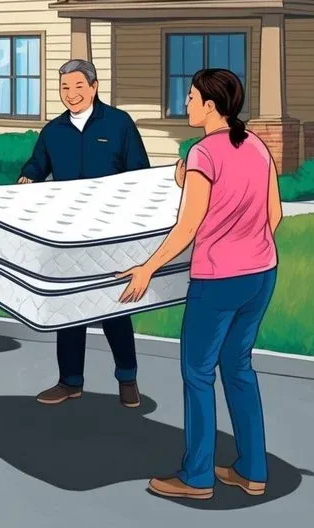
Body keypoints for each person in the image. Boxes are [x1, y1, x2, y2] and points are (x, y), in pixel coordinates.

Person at [115, 68, 281, 501]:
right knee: (239, 368)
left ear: (210, 105)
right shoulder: (256, 146)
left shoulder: (202, 153)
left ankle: (197, 477)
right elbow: (274, 214)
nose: (185, 103)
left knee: (198, 373)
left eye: (190, 97)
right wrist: (246, 241)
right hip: (262, 272)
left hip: (219, 279)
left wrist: (147, 268)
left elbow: (187, 226)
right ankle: (252, 470)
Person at [18, 58, 149, 408]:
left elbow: (139, 173)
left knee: (114, 306)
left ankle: (127, 379)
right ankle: (70, 381)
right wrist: (28, 177)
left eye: (78, 86)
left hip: (111, 232)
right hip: (68, 233)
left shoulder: (119, 124)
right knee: (69, 306)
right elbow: (37, 165)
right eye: (65, 87)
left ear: (94, 87)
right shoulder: (54, 131)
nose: (71, 93)